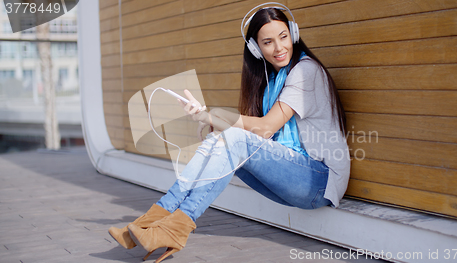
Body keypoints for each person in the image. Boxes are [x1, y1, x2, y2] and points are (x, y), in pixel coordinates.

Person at [108, 3, 350, 262]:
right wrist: (209, 120)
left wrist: (211, 117)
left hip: (319, 181)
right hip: (296, 175)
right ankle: (157, 219)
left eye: (283, 37)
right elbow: (257, 135)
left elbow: (266, 128)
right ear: (256, 49)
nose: (279, 48)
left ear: (294, 33)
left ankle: (172, 226)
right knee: (220, 139)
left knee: (232, 138)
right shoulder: (270, 83)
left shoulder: (305, 71)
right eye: (268, 42)